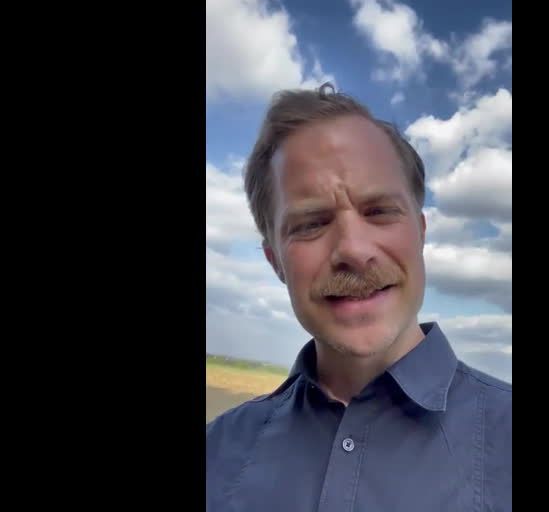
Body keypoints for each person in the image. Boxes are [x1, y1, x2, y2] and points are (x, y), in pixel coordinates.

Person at [206, 83, 511, 511]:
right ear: (275, 262)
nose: (353, 250)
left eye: (380, 211)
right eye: (311, 224)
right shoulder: (217, 454)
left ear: (421, 233)